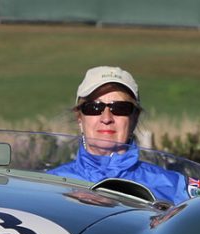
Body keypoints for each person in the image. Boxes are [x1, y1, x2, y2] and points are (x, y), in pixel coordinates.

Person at [48, 66, 189, 204]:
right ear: (80, 118)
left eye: (120, 108)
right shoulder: (47, 185)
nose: (106, 118)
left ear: (135, 117)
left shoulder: (176, 188)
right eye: (94, 107)